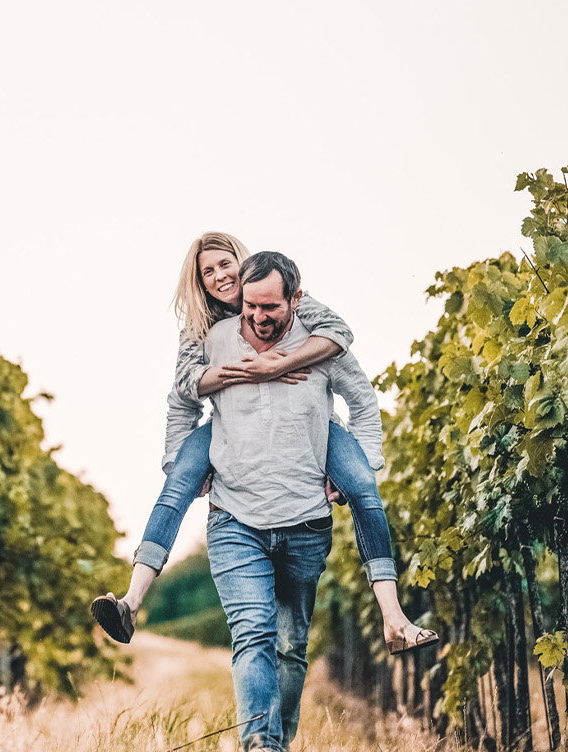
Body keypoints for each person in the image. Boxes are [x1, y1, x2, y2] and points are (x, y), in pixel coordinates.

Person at [90, 232, 436, 656]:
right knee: (179, 480)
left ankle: (393, 616)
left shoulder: (292, 301)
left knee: (363, 485)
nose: (219, 276)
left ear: (243, 261)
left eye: (225, 264)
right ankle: (131, 602)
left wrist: (283, 360)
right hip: (228, 426)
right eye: (207, 271)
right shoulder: (203, 329)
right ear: (198, 281)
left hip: (310, 428)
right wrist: (240, 375)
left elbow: (341, 333)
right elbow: (184, 389)